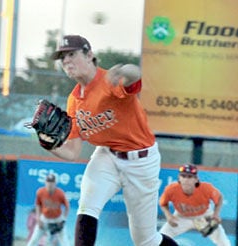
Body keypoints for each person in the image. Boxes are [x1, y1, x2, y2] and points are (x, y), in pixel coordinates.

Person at [45, 34, 178, 246]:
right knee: (88, 205)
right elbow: (72, 152)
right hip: (107, 155)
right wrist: (49, 144)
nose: (66, 61)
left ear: (90, 55)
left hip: (141, 160)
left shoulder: (109, 81)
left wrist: (124, 70)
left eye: (71, 54)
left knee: (146, 240)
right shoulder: (74, 100)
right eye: (62, 58)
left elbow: (135, 76)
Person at [158, 164, 231, 246]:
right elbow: (163, 203)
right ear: (179, 178)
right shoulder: (171, 189)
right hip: (181, 217)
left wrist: (216, 214)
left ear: (196, 179)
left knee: (224, 243)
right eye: (183, 176)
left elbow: (219, 198)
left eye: (190, 177)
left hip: (204, 216)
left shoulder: (206, 188)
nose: (186, 179)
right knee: (160, 238)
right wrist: (169, 216)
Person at [27, 174, 70, 246]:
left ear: (55, 183)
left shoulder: (60, 193)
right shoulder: (40, 192)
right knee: (33, 241)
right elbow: (38, 205)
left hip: (57, 220)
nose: (50, 184)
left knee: (65, 242)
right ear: (45, 183)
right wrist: (38, 218)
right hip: (44, 219)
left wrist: (63, 220)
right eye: (48, 182)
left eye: (52, 182)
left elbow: (67, 207)